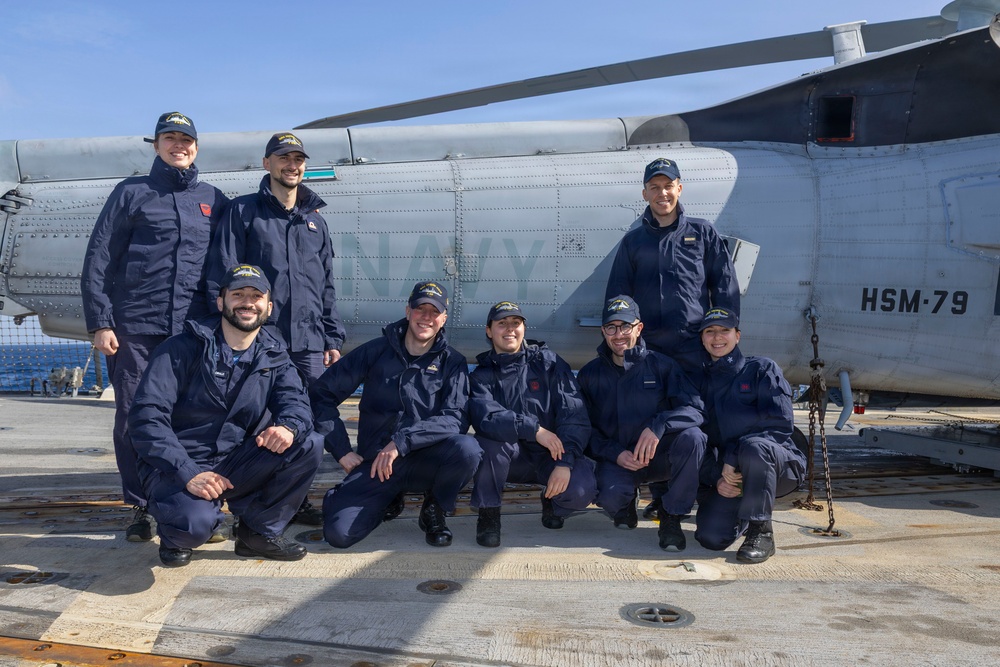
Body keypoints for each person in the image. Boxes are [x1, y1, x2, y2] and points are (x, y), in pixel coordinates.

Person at [81, 112, 229, 543]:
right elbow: (99, 260)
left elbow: (223, 266)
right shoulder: (131, 193)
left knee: (196, 417)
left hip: (193, 332)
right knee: (134, 417)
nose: (178, 145)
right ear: (157, 145)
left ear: (196, 147)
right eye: (170, 138)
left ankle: (200, 501)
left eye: (186, 139)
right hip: (136, 329)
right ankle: (142, 506)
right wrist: (101, 323)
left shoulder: (212, 198)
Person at [128, 264, 322, 567]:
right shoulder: (179, 349)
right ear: (221, 302)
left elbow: (296, 402)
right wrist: (187, 471)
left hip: (235, 461)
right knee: (193, 527)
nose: (247, 302)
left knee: (307, 442)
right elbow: (146, 418)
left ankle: (257, 533)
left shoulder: (274, 354)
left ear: (268, 307)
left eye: (256, 296)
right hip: (178, 463)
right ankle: (175, 531)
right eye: (238, 294)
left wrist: (288, 425)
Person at [207, 131, 346, 526]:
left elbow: (326, 286)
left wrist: (331, 337)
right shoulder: (243, 212)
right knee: (252, 419)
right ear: (267, 164)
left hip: (307, 343)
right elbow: (222, 274)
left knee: (305, 419)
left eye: (298, 159)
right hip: (260, 342)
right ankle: (227, 499)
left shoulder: (316, 223)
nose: (292, 165)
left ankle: (291, 498)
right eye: (283, 158)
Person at [604, 157, 740, 520]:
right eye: (654, 187)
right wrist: (626, 340)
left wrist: (723, 337)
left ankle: (703, 490)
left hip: (692, 349)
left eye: (668, 186)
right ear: (645, 193)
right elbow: (619, 296)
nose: (662, 193)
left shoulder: (702, 233)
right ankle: (657, 495)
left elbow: (724, 287)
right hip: (650, 352)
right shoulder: (633, 243)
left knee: (695, 422)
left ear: (679, 188)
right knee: (648, 421)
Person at [310, 281, 481, 549]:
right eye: (420, 309)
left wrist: (402, 442)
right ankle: (385, 498)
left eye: (434, 312)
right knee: (339, 535)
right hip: (378, 463)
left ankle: (434, 507)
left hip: (426, 458)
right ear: (408, 311)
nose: (426, 317)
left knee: (468, 449)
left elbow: (455, 417)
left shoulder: (453, 362)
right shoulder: (375, 351)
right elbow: (321, 395)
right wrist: (341, 450)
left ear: (443, 318)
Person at [577, 295, 707, 551]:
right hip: (620, 459)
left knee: (694, 438)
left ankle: (671, 516)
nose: (619, 334)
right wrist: (615, 454)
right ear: (603, 331)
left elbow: (696, 410)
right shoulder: (589, 375)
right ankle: (626, 501)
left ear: (638, 328)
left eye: (625, 326)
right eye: (611, 327)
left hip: (659, 458)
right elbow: (583, 429)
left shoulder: (662, 366)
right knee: (610, 496)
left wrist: (660, 424)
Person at [468, 301, 597, 548]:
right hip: (512, 459)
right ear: (489, 331)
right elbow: (486, 418)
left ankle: (554, 502)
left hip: (552, 453)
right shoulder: (481, 376)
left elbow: (574, 413)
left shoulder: (548, 363)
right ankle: (489, 514)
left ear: (524, 328)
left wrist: (565, 461)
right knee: (487, 443)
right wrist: (534, 429)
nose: (510, 329)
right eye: (501, 324)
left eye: (515, 323)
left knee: (581, 489)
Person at [693, 307, 806, 563]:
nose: (717, 337)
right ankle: (742, 515)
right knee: (711, 539)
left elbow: (779, 425)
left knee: (755, 448)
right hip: (731, 476)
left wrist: (732, 458)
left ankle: (761, 531)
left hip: (778, 467)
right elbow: (698, 437)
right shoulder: (699, 382)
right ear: (702, 338)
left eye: (725, 330)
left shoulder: (762, 370)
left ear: (738, 336)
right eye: (710, 331)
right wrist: (718, 478)